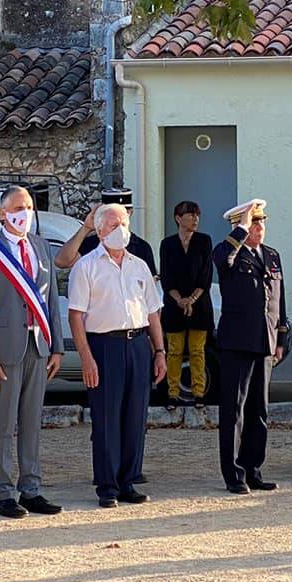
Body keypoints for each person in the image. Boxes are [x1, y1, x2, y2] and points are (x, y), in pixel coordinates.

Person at [0, 186, 65, 519]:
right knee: (3, 422)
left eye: (27, 206)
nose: (23, 212)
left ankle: (31, 487)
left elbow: (51, 299)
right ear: (3, 213)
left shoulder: (39, 246)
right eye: (16, 208)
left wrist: (57, 346)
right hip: (5, 350)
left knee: (31, 422)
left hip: (38, 346)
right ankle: (3, 492)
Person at [68, 203, 167, 508]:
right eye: (113, 225)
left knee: (135, 415)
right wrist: (86, 357)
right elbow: (75, 315)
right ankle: (107, 486)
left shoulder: (139, 265)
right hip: (104, 345)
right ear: (99, 230)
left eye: (123, 223)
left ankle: (129, 480)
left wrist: (159, 351)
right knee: (107, 416)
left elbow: (153, 312)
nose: (120, 229)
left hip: (137, 343)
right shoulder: (86, 266)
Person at [213, 200, 287, 495]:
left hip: (264, 341)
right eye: (252, 223)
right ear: (239, 226)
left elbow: (278, 300)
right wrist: (240, 230)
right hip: (237, 342)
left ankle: (253, 467)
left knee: (259, 410)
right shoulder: (230, 252)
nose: (259, 228)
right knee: (234, 410)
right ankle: (233, 474)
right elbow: (220, 260)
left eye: (261, 222)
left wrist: (281, 337)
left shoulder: (271, 255)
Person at [159, 201, 214, 411]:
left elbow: (206, 275)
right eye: (190, 215)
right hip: (174, 305)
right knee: (173, 351)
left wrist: (191, 300)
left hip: (199, 305)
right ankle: (172, 393)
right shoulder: (168, 244)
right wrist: (179, 300)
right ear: (178, 218)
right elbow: (166, 276)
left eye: (197, 215)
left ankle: (199, 392)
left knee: (197, 350)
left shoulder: (204, 241)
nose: (195, 219)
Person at [54, 188, 157, 277]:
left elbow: (149, 288)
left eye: (122, 212)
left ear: (130, 213)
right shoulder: (92, 244)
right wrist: (86, 228)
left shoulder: (141, 247)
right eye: (111, 213)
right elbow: (62, 262)